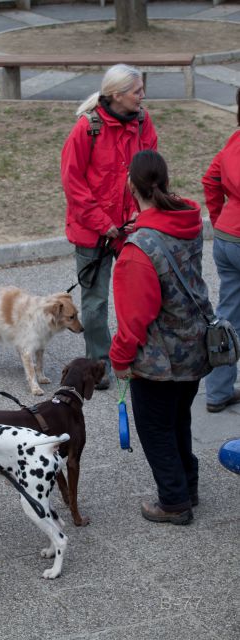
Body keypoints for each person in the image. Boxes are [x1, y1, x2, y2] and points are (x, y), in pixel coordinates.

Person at [109, 150, 214, 525]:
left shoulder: (141, 249)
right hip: (196, 348)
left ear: (130, 187)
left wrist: (120, 360)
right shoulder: (186, 221)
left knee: (155, 428)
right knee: (177, 419)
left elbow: (135, 319)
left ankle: (173, 502)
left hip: (160, 360)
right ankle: (188, 485)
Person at [61, 63, 158, 390]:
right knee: (96, 300)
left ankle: (144, 356)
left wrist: (138, 215)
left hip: (133, 228)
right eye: (137, 91)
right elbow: (74, 186)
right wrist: (106, 226)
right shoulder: (86, 129)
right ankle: (99, 365)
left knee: (143, 294)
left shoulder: (144, 122)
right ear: (116, 95)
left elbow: (150, 173)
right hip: (94, 231)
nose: (143, 96)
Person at [202, 87, 240, 413]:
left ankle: (217, 392)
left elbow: (210, 180)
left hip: (227, 238)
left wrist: (219, 220)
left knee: (228, 317)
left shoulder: (234, 139)